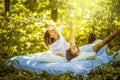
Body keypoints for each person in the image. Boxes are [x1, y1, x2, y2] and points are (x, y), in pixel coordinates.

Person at [44, 19, 120, 61]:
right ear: (50, 36)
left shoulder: (58, 34)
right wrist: (57, 56)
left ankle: (108, 51)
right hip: (69, 54)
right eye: (51, 31)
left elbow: (60, 29)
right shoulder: (53, 46)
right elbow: (54, 53)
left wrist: (64, 24)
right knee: (99, 45)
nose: (54, 30)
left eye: (53, 29)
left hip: (72, 49)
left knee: (98, 43)